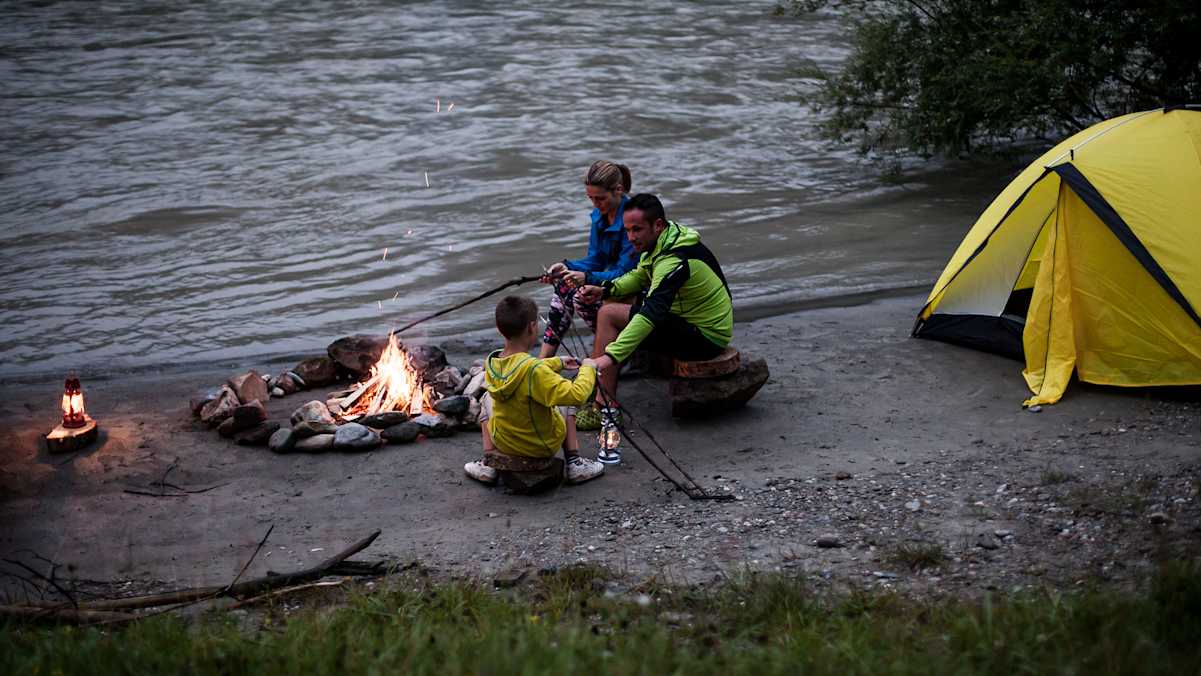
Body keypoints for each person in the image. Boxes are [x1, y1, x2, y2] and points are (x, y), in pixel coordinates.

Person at [576, 193, 733, 464]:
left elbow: (650, 313)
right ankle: (601, 391)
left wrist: (610, 356)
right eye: (627, 230)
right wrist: (604, 289)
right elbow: (639, 276)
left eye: (637, 229)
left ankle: (605, 404)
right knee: (612, 303)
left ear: (657, 225)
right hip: (687, 321)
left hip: (705, 337)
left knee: (609, 315)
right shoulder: (666, 240)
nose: (631, 237)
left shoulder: (674, 260)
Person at [464, 295, 606, 486]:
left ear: (499, 329)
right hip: (540, 445)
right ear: (532, 327)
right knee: (564, 403)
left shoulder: (494, 362)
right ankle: (574, 464)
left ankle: (488, 462)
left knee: (487, 398)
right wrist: (589, 367)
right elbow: (577, 395)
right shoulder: (534, 371)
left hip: (504, 442)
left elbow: (521, 367)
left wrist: (557, 362)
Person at [538, 161, 639, 362]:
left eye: (600, 198)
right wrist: (566, 267)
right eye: (590, 198)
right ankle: (543, 361)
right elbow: (597, 259)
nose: (595, 204)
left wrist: (586, 278)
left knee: (581, 297)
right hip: (615, 282)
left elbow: (626, 272)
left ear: (618, 190)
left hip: (637, 286)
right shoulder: (600, 217)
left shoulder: (633, 221)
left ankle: (616, 351)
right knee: (563, 285)